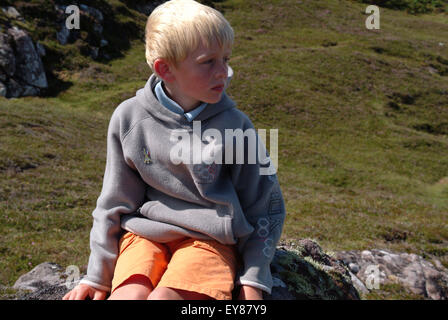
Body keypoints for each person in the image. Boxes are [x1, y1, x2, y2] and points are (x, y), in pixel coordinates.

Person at [63, 0, 285, 300]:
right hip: (143, 237)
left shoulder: (237, 126)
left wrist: (254, 278)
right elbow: (113, 203)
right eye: (208, 62)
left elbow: (266, 205)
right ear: (165, 69)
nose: (224, 72)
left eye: (226, 59)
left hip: (209, 242)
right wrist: (97, 277)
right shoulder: (128, 119)